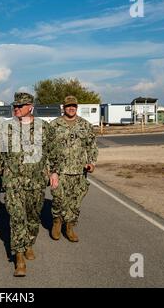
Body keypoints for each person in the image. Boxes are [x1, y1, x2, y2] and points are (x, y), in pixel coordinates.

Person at [0, 92, 56, 277]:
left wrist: (54, 172)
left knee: (33, 218)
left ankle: (29, 243)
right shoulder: (5, 128)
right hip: (13, 182)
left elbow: (53, 152)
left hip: (36, 182)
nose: (16, 109)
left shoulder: (44, 128)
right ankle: (19, 258)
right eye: (15, 106)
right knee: (17, 218)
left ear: (30, 107)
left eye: (20, 106)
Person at [49, 95, 98, 242]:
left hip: (78, 171)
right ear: (63, 107)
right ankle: (57, 222)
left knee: (75, 202)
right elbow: (48, 148)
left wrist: (92, 163)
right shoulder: (54, 125)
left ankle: (69, 227)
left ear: (77, 107)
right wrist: (50, 170)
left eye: (74, 106)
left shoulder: (85, 125)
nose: (71, 108)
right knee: (58, 199)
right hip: (60, 171)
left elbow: (92, 146)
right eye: (68, 106)